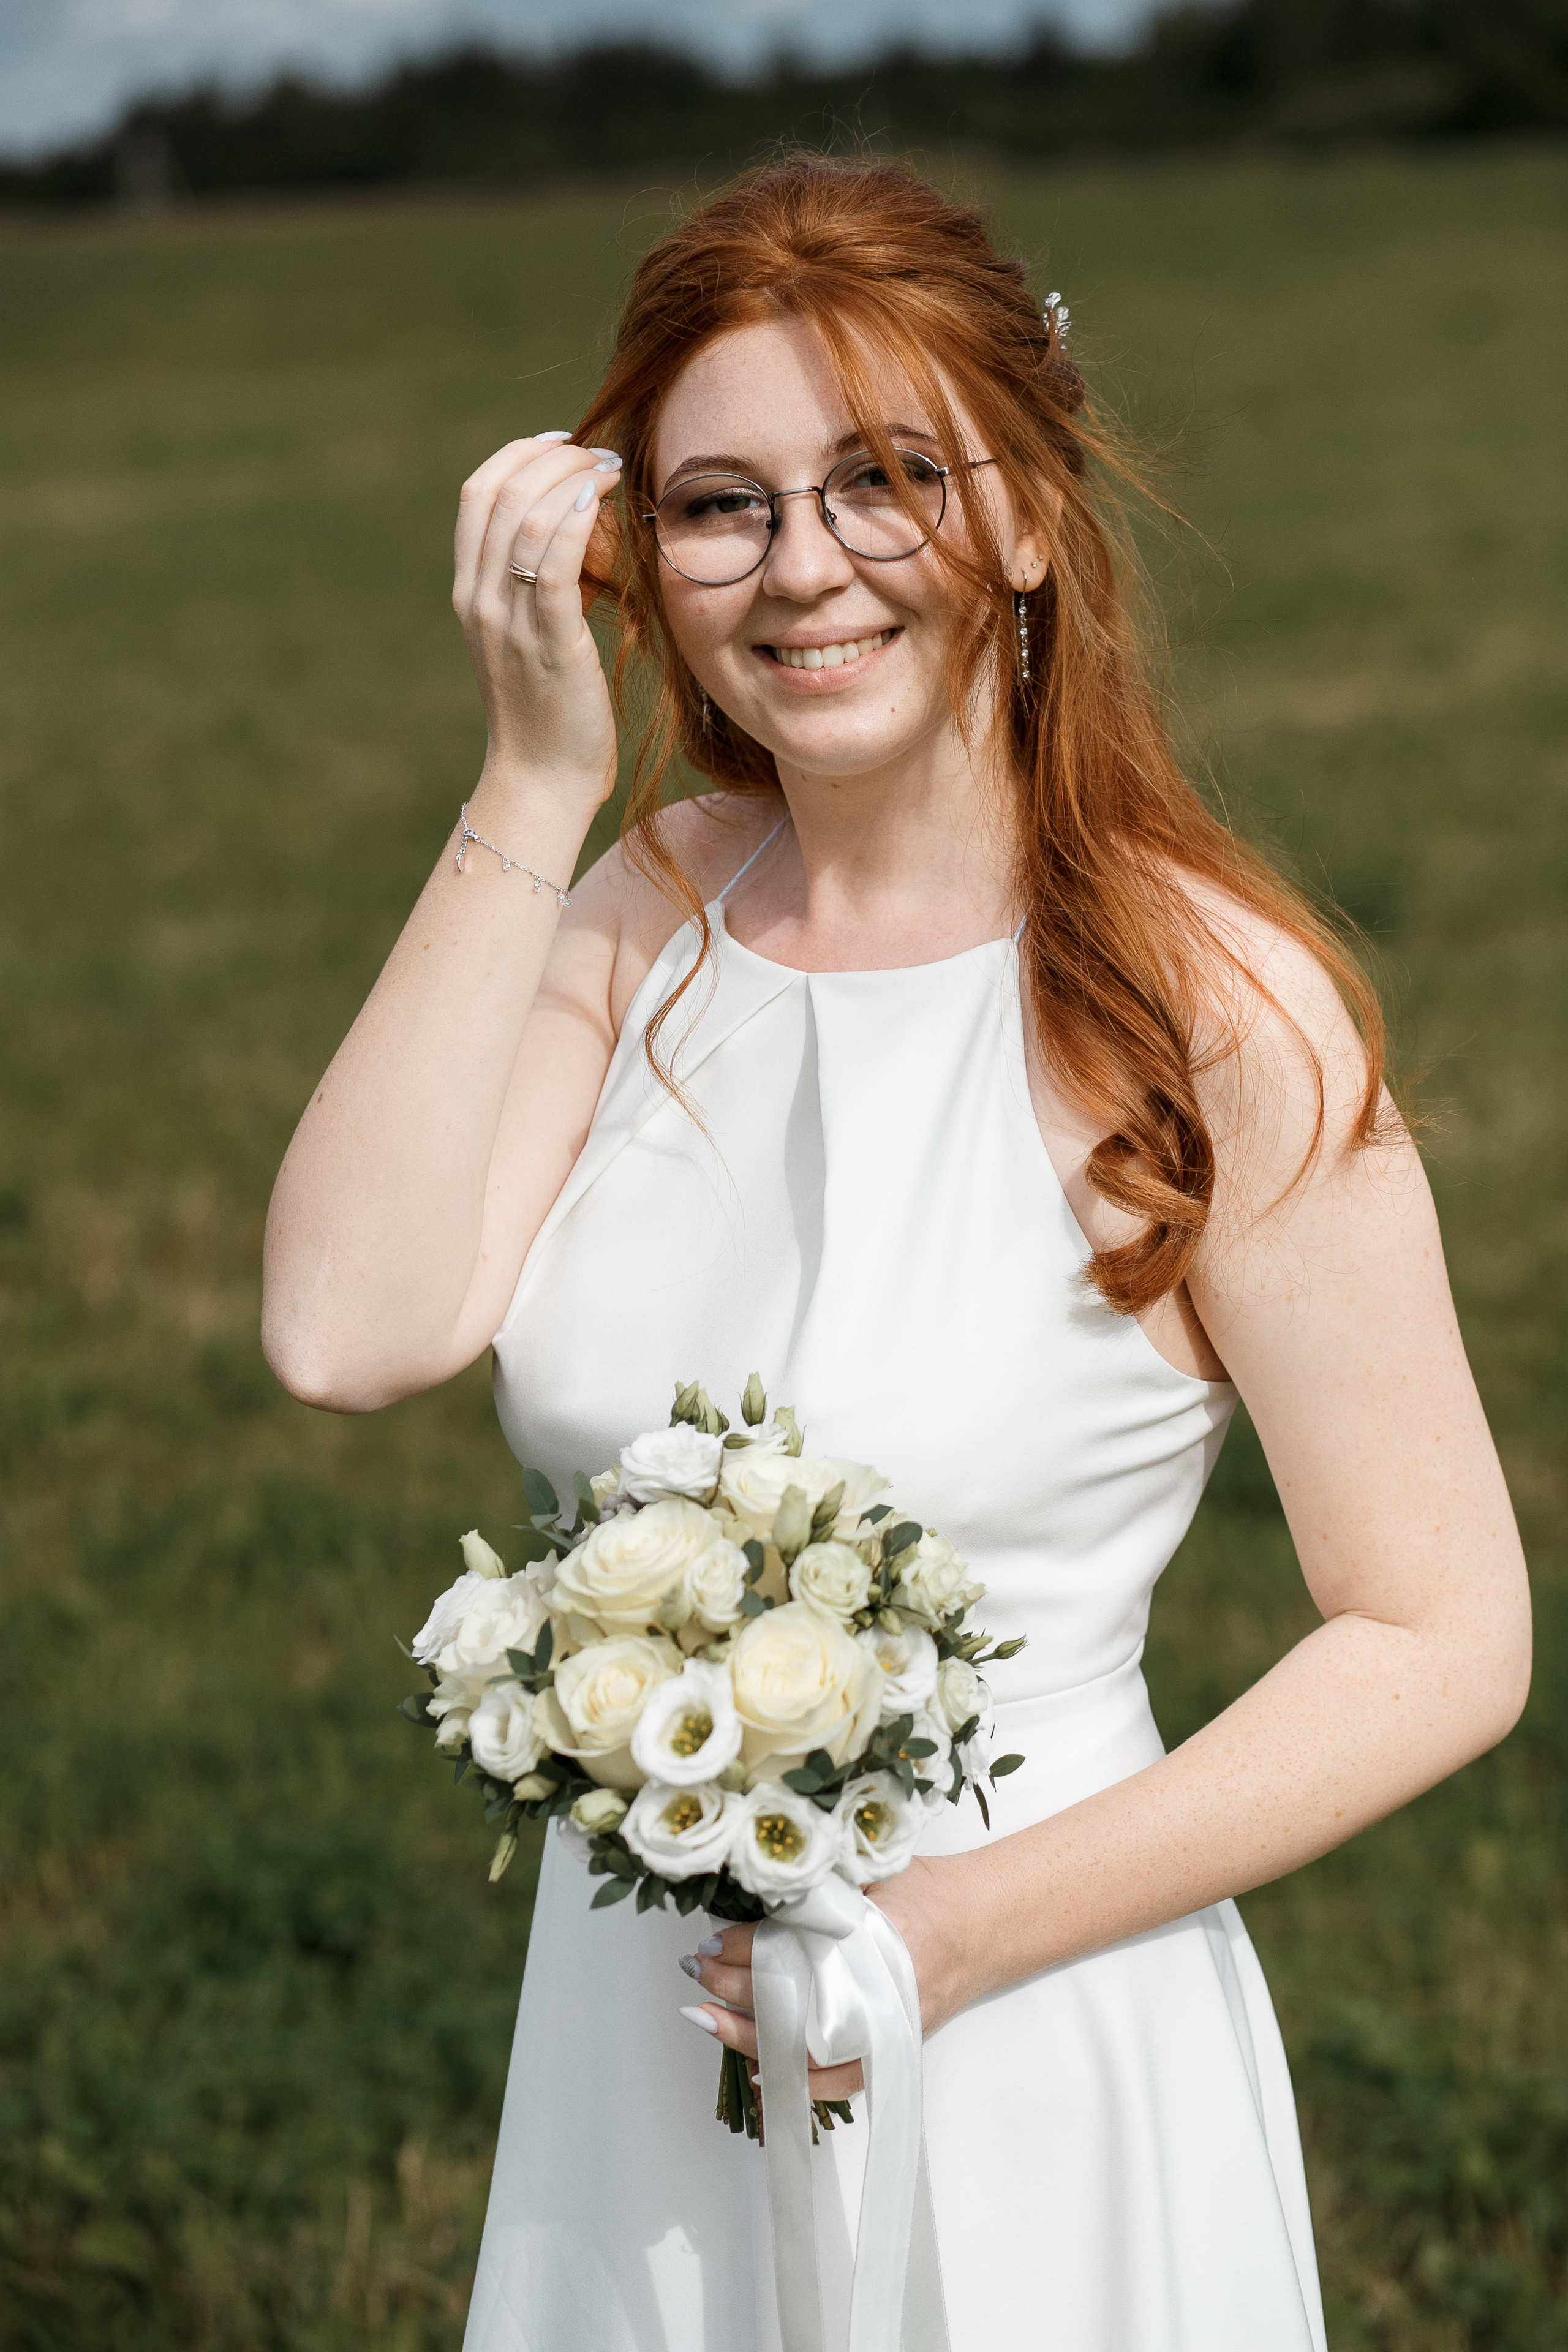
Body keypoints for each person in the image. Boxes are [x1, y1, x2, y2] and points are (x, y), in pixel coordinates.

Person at [261, 157, 1530, 2352]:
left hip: (1030, 2010)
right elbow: (345, 1328)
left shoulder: (1206, 1005)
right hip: (635, 2023)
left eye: (883, 481)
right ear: (634, 552)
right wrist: (535, 777)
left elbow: (1442, 1628)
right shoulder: (642, 912)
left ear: (1026, 516)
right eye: (720, 504)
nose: (803, 568)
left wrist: (941, 1939)